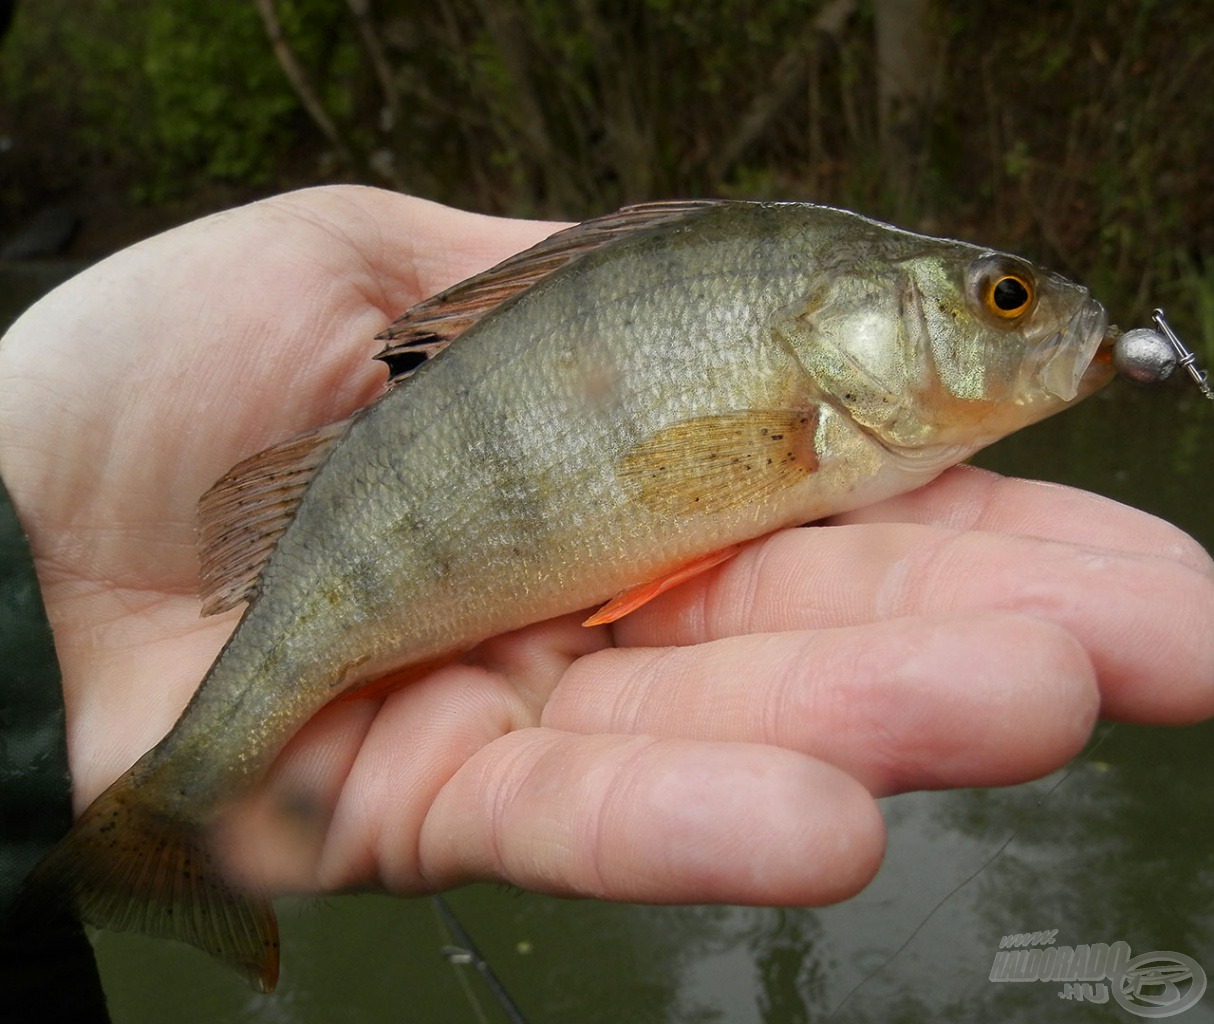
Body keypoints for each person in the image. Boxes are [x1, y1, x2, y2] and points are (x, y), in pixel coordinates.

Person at [1, 185, 1211, 909]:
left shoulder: (836, 382)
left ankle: (142, 833)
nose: (1036, 320)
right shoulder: (805, 385)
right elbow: (672, 481)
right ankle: (156, 825)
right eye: (1002, 301)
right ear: (851, 323)